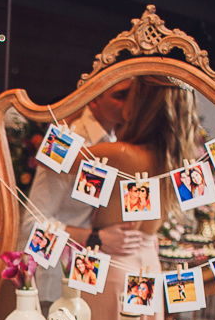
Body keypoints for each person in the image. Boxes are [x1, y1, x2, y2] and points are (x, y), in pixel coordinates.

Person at [84, 76, 200, 320]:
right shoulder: (179, 161)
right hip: (149, 267)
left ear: (143, 103)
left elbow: (54, 157)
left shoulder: (121, 154)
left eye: (131, 93)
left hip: (113, 271)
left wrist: (76, 111)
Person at [18, 82, 141, 304]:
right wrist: (96, 239)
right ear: (94, 99)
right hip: (53, 280)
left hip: (87, 276)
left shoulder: (117, 142)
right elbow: (31, 225)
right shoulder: (65, 143)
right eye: (120, 95)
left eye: (133, 95)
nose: (129, 103)